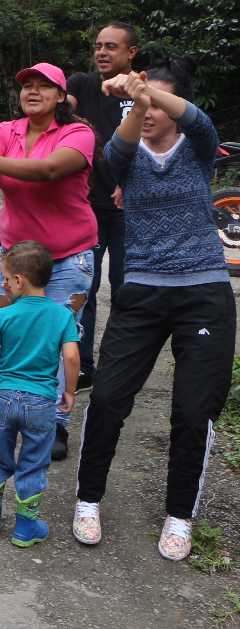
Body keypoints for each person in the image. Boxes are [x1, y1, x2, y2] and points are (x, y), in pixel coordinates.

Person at [73, 66, 236, 562]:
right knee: (108, 398)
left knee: (192, 411)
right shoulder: (127, 155)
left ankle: (179, 516)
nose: (145, 113)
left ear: (175, 109)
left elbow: (203, 123)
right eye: (140, 106)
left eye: (158, 106)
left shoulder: (198, 148)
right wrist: (141, 102)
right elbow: (112, 155)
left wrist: (146, 91)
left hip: (203, 290)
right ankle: (88, 500)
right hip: (142, 289)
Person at [0, 62, 96, 461]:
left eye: (43, 87)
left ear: (60, 95)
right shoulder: (5, 131)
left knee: (61, 341)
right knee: (0, 335)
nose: (33, 92)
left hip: (69, 257)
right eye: (27, 86)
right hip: (14, 257)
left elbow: (50, 169)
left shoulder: (78, 133)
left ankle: (55, 422)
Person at [0, 241, 80, 548]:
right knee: (34, 461)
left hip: (4, 397)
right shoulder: (61, 316)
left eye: (6, 279)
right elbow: (72, 357)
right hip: (41, 401)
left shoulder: (4, 315)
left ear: (20, 281)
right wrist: (70, 391)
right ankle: (25, 527)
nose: (4, 284)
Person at [66, 22, 139, 388]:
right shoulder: (81, 84)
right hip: (88, 206)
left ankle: (117, 367)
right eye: (98, 45)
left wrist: (130, 181)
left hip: (131, 207)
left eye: (111, 46)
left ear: (131, 53)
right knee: (85, 287)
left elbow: (155, 135)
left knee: (126, 289)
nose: (102, 52)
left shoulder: (143, 91)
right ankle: (82, 365)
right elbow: (63, 108)